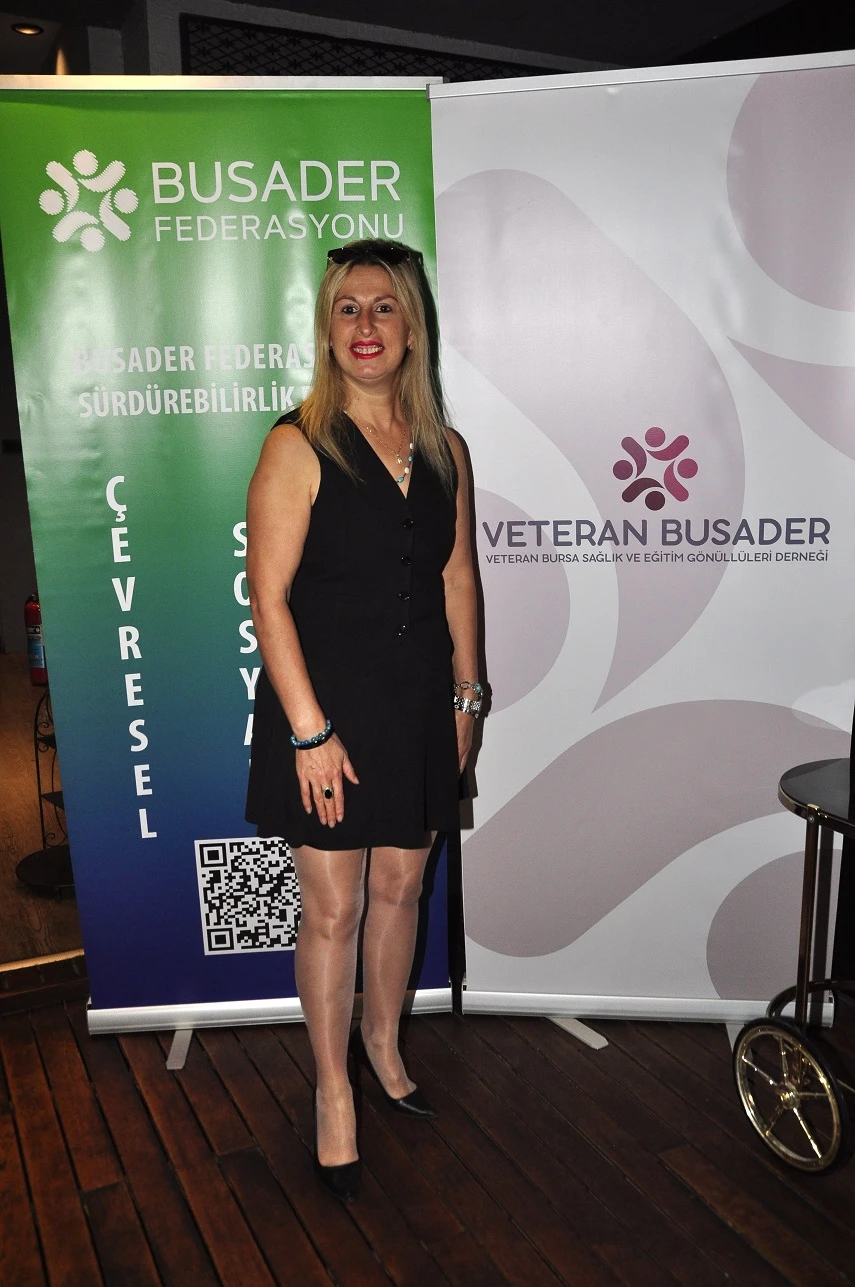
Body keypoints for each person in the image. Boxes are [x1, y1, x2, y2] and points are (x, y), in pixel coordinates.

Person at [245, 240, 480, 1202]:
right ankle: (332, 1087)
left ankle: (383, 1045)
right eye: (348, 308)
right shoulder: (296, 443)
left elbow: (457, 578)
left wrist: (467, 696)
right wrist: (308, 731)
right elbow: (267, 596)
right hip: (326, 710)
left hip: (419, 702)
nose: (366, 325)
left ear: (412, 327)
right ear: (326, 329)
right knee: (334, 907)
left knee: (400, 887)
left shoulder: (445, 449)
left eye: (384, 307)